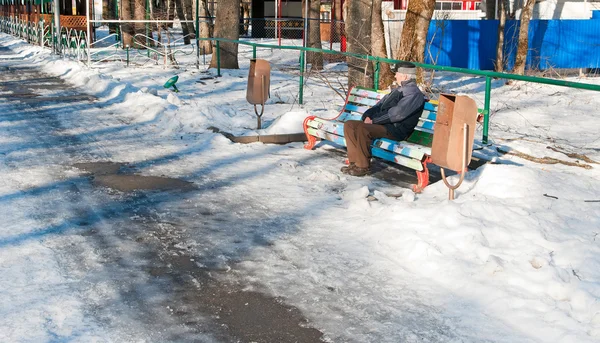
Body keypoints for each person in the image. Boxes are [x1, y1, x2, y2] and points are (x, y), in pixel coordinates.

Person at [341, 61, 426, 176]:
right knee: (349, 125)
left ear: (405, 76)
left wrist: (374, 120)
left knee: (363, 129)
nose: (395, 76)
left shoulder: (414, 94)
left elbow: (398, 114)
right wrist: (368, 115)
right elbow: (379, 105)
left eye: (397, 73)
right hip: (384, 125)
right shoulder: (398, 90)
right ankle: (354, 162)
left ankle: (362, 167)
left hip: (395, 130)